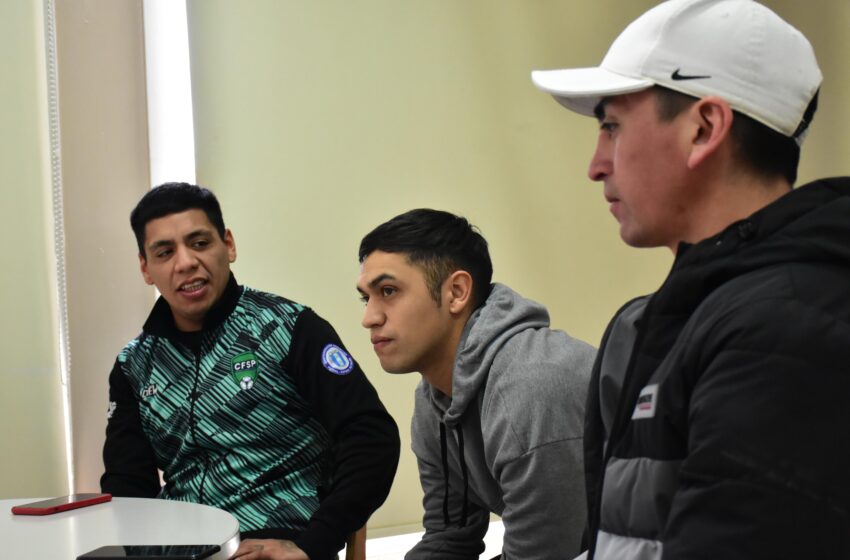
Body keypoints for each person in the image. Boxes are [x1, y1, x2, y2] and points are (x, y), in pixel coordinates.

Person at [531, 0, 850, 558]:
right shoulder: (661, 321)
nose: (595, 164)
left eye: (611, 126)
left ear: (704, 128)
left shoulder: (784, 330)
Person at [101, 183, 400, 560]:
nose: (186, 262)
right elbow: (128, 484)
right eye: (165, 252)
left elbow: (371, 437)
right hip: (176, 545)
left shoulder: (288, 327)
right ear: (146, 268)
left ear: (228, 245)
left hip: (273, 538)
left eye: (199, 243)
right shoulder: (135, 364)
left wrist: (314, 544)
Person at [356, 209, 595, 559]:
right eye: (366, 297)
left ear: (456, 292)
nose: (369, 317)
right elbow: (450, 536)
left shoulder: (530, 387)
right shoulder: (432, 400)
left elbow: (544, 556)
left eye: (388, 291)